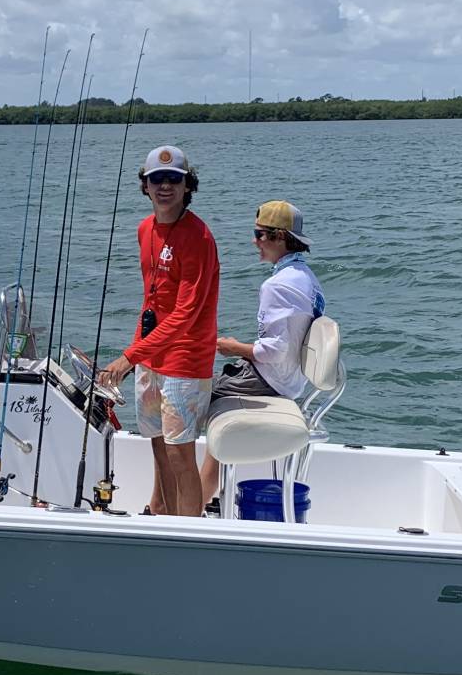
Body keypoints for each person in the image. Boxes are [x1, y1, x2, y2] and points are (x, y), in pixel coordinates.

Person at [99, 145, 219, 517]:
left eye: (173, 179)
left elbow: (185, 313)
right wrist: (136, 354)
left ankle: (190, 535)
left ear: (187, 187)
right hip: (150, 355)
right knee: (157, 447)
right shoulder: (144, 230)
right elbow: (150, 302)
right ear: (145, 186)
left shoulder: (198, 237)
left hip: (185, 358)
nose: (164, 186)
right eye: (156, 179)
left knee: (180, 454)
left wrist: (127, 357)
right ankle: (166, 521)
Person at [199, 200, 325, 509]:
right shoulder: (305, 276)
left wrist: (232, 347)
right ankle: (204, 494)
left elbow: (273, 351)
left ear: (280, 237)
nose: (254, 241)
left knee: (195, 395)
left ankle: (192, 505)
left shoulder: (277, 285)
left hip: (270, 379)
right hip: (290, 380)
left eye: (260, 234)